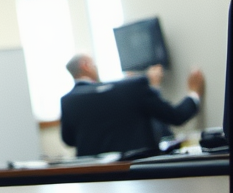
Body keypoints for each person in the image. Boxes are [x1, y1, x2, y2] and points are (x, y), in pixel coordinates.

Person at [60, 53, 204, 157]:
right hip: (137, 174)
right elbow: (176, 116)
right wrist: (194, 93)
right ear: (85, 65)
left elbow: (69, 140)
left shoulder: (67, 101)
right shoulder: (133, 86)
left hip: (94, 180)